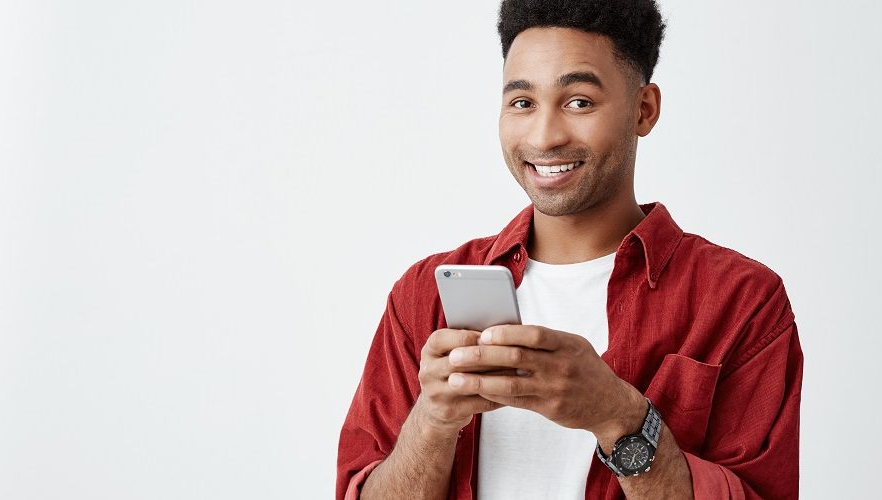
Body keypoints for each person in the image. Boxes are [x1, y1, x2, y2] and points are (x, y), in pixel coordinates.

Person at [336, 0, 802, 498]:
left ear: (644, 110)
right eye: (522, 103)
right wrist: (433, 419)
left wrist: (616, 414)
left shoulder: (741, 302)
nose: (544, 136)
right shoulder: (421, 297)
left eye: (578, 101)